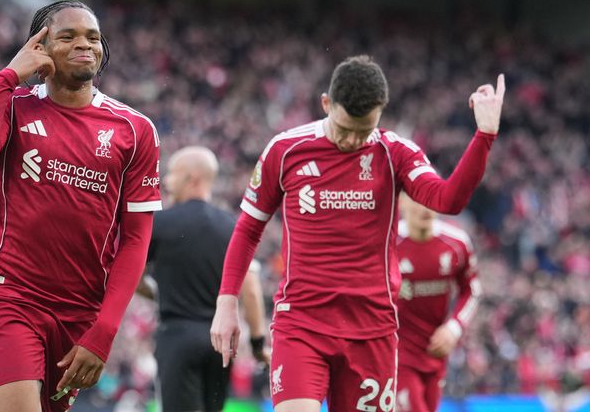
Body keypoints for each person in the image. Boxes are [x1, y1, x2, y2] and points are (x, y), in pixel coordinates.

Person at [210, 55, 505, 412]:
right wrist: (227, 303)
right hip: (302, 324)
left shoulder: (396, 153)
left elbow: (448, 199)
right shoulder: (286, 150)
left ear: (381, 113)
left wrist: (484, 135)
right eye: (343, 128)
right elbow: (248, 228)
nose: (351, 141)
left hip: (373, 330)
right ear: (325, 104)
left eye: (363, 131)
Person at [0, 0, 161, 412]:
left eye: (93, 37)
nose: (86, 45)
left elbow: (136, 240)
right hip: (9, 298)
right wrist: (8, 77)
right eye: (68, 36)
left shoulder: (135, 130)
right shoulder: (14, 106)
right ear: (40, 48)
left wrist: (104, 331)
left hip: (79, 315)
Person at [138, 146, 269, 412]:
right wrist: (257, 344)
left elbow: (132, 275)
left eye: (172, 175)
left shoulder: (159, 223)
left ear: (192, 178)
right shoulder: (232, 226)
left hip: (176, 338)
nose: (166, 182)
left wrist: (157, 293)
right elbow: (251, 291)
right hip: (219, 343)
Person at [395, 194, 480, 412]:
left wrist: (454, 328)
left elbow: (472, 290)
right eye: (416, 199)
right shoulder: (388, 243)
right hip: (397, 355)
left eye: (429, 199)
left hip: (435, 354)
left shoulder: (456, 243)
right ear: (401, 202)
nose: (424, 207)